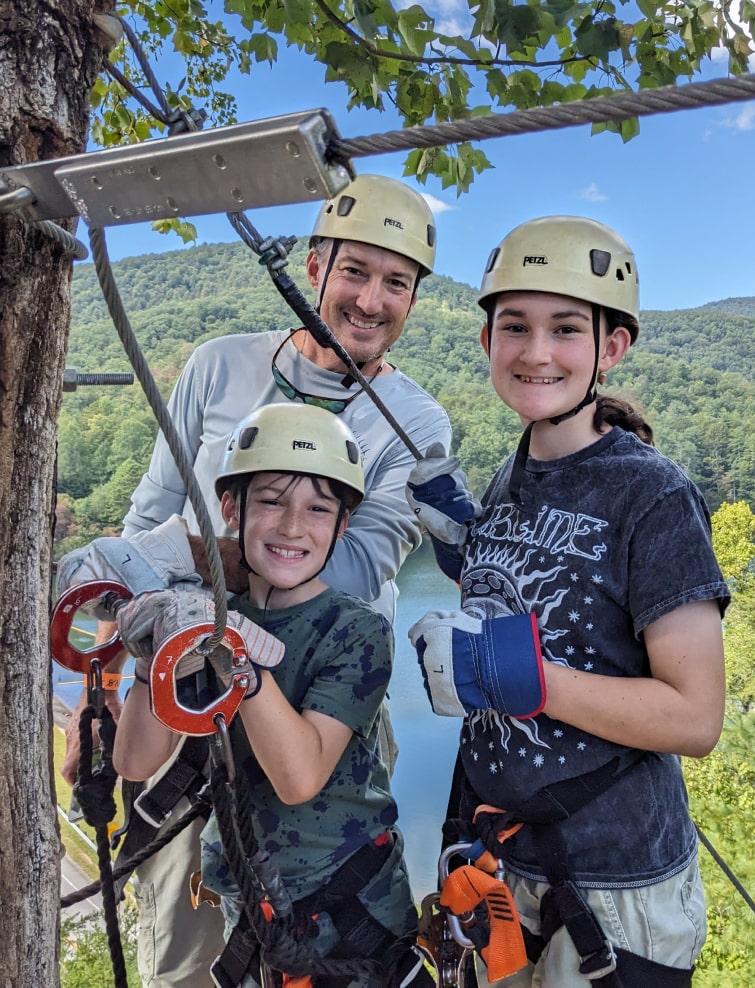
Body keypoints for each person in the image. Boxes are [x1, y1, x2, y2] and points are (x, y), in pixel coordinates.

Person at [57, 174, 451, 987]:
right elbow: (146, 519)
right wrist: (118, 673)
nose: (372, 300)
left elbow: (345, 565)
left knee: (323, 925)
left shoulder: (414, 423)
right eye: (356, 271)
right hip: (178, 675)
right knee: (188, 941)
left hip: (319, 696)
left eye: (397, 283)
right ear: (314, 266)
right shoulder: (218, 366)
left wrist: (186, 566)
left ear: (413, 299)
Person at [405, 216, 730, 986]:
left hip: (616, 891)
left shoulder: (652, 495)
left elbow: (695, 718)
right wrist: (469, 556)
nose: (536, 351)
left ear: (610, 350)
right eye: (514, 326)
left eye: (566, 329)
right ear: (487, 342)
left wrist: (529, 680)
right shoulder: (507, 481)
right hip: (505, 865)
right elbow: (549, 616)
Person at [112, 403, 430, 988]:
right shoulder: (207, 621)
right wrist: (154, 654)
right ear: (231, 508)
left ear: (343, 524)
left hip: (348, 911)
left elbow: (299, 776)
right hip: (254, 907)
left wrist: (235, 656)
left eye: (317, 508)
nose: (291, 526)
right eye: (270, 500)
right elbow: (134, 761)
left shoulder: (355, 632)